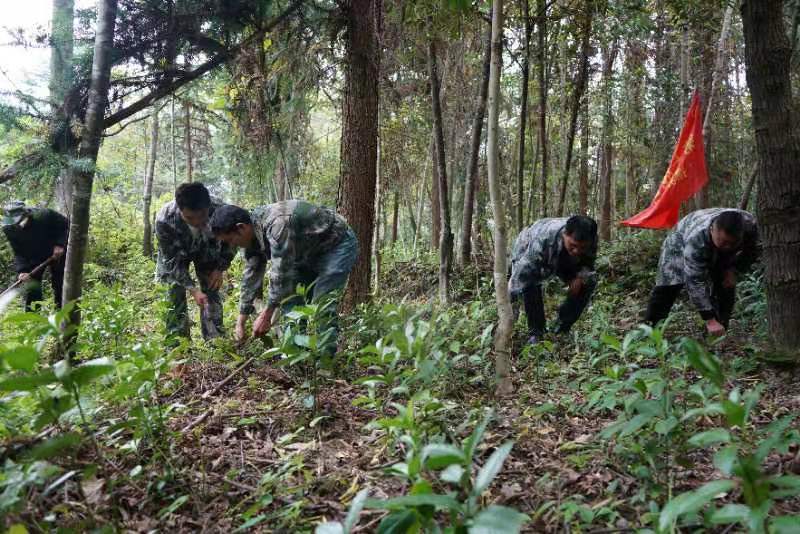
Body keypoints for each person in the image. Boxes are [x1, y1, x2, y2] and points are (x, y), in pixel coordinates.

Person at [209, 200, 358, 353]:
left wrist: (266, 315)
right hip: (304, 252)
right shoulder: (252, 235)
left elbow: (280, 274)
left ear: (241, 228)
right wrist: (240, 322)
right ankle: (294, 355)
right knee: (290, 301)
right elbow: (251, 276)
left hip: (336, 245)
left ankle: (325, 362)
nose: (233, 245)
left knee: (323, 302)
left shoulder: (278, 225)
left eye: (231, 240)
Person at [644, 208, 759, 336]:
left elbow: (751, 251)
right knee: (669, 285)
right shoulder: (696, 240)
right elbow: (694, 281)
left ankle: (719, 329)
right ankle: (649, 331)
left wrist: (733, 270)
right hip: (679, 241)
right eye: (724, 242)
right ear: (712, 230)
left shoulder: (751, 226)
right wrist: (708, 318)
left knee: (726, 284)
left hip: (716, 245)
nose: (727, 246)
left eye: (732, 243)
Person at [155, 183, 235, 342]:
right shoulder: (164, 220)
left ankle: (215, 341)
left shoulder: (221, 210)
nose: (198, 222)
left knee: (211, 289)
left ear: (208, 205)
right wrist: (192, 289)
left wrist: (220, 268)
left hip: (207, 251)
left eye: (202, 216)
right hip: (177, 255)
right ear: (179, 209)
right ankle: (178, 347)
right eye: (190, 218)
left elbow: (231, 241)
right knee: (173, 292)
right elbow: (172, 261)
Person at [509, 215, 598, 345]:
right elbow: (521, 277)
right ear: (564, 235)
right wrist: (509, 308)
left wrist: (580, 277)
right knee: (531, 284)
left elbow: (588, 263)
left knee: (588, 282)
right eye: (573, 245)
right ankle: (537, 333)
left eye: (582, 247)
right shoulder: (542, 239)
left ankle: (561, 327)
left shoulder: (591, 239)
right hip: (529, 247)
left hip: (565, 259)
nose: (577, 251)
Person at [1, 201, 69, 311]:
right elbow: (18, 251)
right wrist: (22, 270)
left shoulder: (44, 215)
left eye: (19, 221)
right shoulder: (8, 228)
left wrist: (60, 244)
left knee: (59, 283)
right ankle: (32, 318)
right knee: (32, 287)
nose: (17, 225)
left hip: (56, 252)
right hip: (33, 256)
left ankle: (62, 313)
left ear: (27, 214)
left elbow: (65, 226)